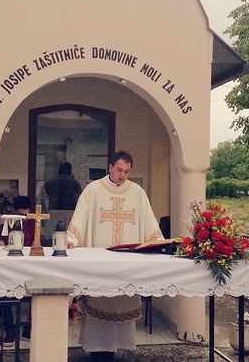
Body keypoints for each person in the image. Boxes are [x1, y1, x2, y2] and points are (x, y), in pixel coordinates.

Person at [67, 150, 163, 362]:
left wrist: (158, 242)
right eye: (119, 169)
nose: (122, 175)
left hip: (127, 265)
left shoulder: (137, 192)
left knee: (121, 302)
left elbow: (149, 222)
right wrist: (72, 239)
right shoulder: (93, 190)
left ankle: (118, 347)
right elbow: (80, 218)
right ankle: (97, 349)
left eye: (127, 171)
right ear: (110, 167)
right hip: (99, 263)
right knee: (99, 305)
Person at [0, 195, 35, 346]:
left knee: (41, 288)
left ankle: (29, 327)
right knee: (0, 292)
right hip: (8, 269)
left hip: (28, 269)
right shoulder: (3, 229)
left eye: (26, 215)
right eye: (20, 215)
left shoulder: (31, 228)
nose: (23, 218)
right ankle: (9, 328)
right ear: (13, 213)